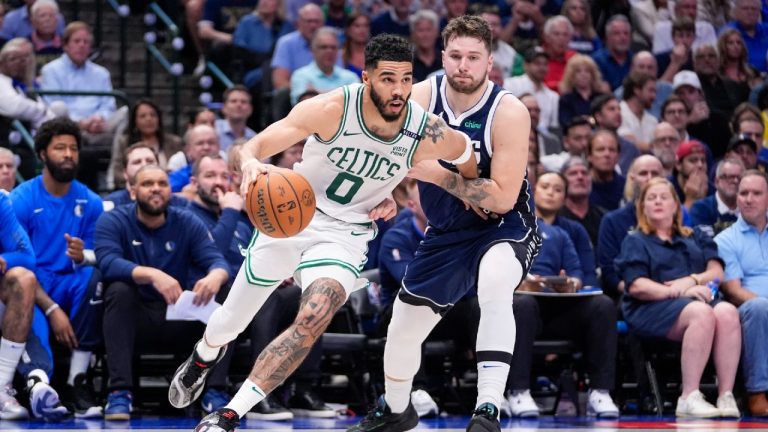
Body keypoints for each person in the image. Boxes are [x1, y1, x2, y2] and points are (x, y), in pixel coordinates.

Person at [166, 33, 477, 432]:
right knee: (230, 323)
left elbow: (465, 154)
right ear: (366, 77)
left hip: (345, 236)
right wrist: (247, 164)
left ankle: (230, 414)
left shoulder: (425, 129)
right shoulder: (332, 108)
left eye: (405, 79)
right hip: (294, 216)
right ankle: (204, 356)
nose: (398, 90)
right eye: (387, 79)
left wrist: (468, 191)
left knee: (313, 317)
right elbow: (253, 145)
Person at [351, 15, 538, 432]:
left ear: (490, 62)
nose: (463, 66)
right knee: (402, 324)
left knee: (494, 283)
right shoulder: (419, 96)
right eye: (455, 56)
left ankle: (487, 408)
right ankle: (396, 411)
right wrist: (386, 191)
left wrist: (438, 175)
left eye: (474, 57)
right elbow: (387, 155)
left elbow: (502, 198)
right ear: (442, 57)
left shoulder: (508, 111)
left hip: (506, 225)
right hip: (447, 230)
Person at [95, 165, 231, 420]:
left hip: (179, 318)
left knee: (225, 290)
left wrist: (215, 276)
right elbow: (107, 261)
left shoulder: (187, 220)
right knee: (118, 289)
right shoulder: (114, 220)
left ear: (170, 191)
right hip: (136, 321)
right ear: (133, 192)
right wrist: (151, 274)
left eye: (162, 183)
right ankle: (120, 393)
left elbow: (217, 261)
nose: (156, 188)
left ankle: (215, 392)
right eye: (148, 184)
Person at [616, 177, 741, 418]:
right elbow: (637, 285)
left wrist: (692, 280)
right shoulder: (635, 240)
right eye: (651, 199)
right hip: (650, 307)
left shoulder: (694, 236)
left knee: (727, 312)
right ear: (642, 207)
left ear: (676, 205)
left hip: (695, 299)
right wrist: (680, 291)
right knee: (701, 312)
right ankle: (689, 396)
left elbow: (716, 272)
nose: (658, 202)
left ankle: (726, 395)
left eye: (664, 197)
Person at [10, 117, 103, 418]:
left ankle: (78, 381)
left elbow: (97, 254)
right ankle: (39, 386)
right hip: (34, 284)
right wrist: (52, 310)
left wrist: (82, 255)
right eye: (59, 148)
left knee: (96, 276)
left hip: (70, 282)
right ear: (42, 155)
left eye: (73, 149)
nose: (68, 155)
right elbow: (17, 266)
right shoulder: (21, 199)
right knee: (23, 293)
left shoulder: (91, 201)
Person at [507, 172, 618, 418]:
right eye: (545, 187)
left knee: (603, 305)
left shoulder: (564, 233)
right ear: (533, 192)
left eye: (558, 189)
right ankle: (518, 391)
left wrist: (570, 283)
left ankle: (600, 391)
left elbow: (582, 275)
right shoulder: (509, 224)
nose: (551, 193)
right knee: (523, 303)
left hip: (559, 306)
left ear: (565, 197)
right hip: (521, 306)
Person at [715, 170, 768, 416]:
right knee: (760, 309)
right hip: (748, 310)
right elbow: (734, 291)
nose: (749, 199)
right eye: (743, 193)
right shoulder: (726, 239)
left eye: (756, 193)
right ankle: (757, 393)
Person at [597, 155, 664, 298]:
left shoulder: (675, 218)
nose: (649, 178)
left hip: (672, 291)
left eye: (655, 173)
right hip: (631, 294)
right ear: (632, 179)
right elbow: (609, 274)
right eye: (643, 173)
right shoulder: (612, 221)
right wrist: (640, 292)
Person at [110, 99, 183, 190]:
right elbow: (117, 173)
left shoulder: (174, 142)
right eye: (143, 116)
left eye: (153, 115)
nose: (148, 119)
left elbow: (182, 171)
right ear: (135, 121)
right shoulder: (124, 142)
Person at [690, 159, 743, 234]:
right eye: (730, 177)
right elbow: (705, 242)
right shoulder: (701, 208)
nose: (735, 181)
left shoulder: (747, 208)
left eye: (739, 178)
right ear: (716, 182)